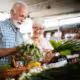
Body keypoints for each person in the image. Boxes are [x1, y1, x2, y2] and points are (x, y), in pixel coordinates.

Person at [0, 1, 28, 66]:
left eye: (25, 17)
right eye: (21, 16)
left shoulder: (20, 35)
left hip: (15, 73)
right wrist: (15, 49)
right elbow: (16, 49)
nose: (23, 20)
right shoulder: (0, 26)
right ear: (12, 12)